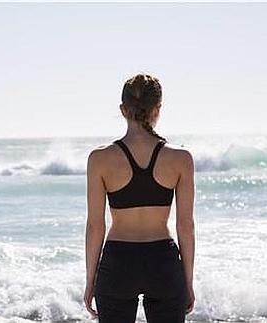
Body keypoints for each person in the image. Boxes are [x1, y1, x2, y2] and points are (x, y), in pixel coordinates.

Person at [83, 73, 196, 323]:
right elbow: (185, 226)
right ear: (158, 109)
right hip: (163, 263)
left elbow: (95, 226)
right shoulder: (181, 159)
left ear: (123, 109)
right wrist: (186, 281)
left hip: (118, 264)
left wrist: (90, 281)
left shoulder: (99, 159)